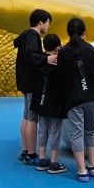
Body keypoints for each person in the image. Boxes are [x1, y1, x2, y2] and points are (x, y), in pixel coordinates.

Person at [58, 17, 94, 182]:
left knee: (76, 134)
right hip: (92, 96)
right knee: (90, 132)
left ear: (68, 33)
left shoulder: (64, 52)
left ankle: (82, 170)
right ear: (84, 31)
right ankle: (93, 166)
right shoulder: (90, 49)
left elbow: (62, 76)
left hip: (74, 98)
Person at [13, 9, 57, 165]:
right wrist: (47, 59)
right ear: (41, 22)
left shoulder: (26, 35)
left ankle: (25, 150)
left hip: (24, 81)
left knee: (26, 115)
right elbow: (31, 56)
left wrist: (44, 57)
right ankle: (32, 153)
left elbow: (29, 55)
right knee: (32, 117)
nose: (48, 26)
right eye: (48, 22)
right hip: (31, 82)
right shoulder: (33, 36)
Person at [32, 33, 67, 174]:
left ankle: (41, 158)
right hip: (56, 103)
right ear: (57, 46)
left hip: (41, 101)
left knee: (42, 130)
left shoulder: (39, 61)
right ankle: (53, 162)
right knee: (55, 132)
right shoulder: (59, 63)